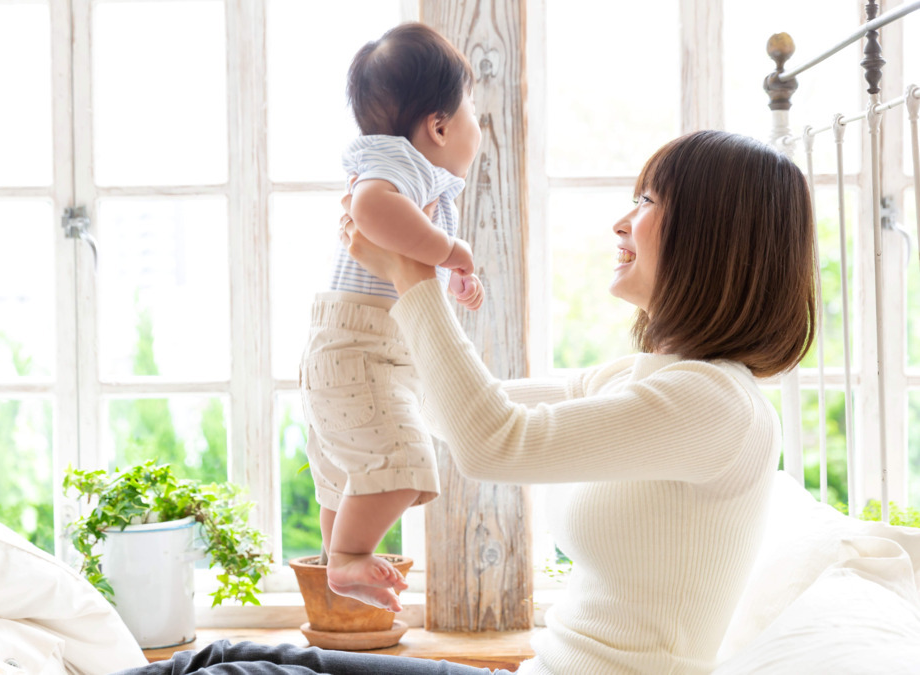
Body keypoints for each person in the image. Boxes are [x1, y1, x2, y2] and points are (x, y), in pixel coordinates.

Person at [116, 130, 816, 674]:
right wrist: (355, 344)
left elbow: (492, 441)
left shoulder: (715, 407)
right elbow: (452, 410)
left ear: (712, 238)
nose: (620, 223)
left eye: (646, 202)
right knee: (214, 658)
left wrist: (413, 273)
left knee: (234, 671)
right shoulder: (644, 378)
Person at [299, 22, 485, 614]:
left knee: (348, 474)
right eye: (472, 108)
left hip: (357, 350)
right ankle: (350, 556)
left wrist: (448, 269)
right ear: (438, 126)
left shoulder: (412, 168)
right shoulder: (398, 160)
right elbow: (371, 207)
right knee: (404, 463)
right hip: (361, 350)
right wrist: (452, 252)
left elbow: (400, 249)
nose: (477, 122)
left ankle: (339, 555)